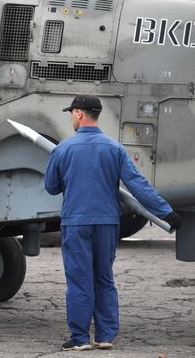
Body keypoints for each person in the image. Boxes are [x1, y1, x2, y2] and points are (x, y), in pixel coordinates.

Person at [44, 95, 181, 351]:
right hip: (107, 223)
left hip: (76, 223)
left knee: (79, 280)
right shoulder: (115, 149)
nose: (71, 117)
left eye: (71, 112)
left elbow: (51, 187)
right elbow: (137, 185)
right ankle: (105, 336)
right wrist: (166, 212)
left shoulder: (63, 149)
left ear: (79, 114)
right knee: (104, 278)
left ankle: (80, 338)